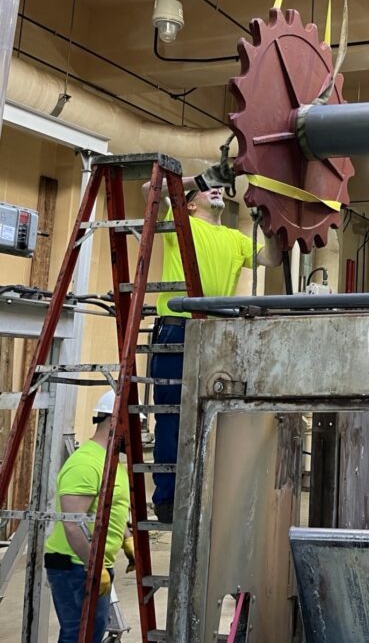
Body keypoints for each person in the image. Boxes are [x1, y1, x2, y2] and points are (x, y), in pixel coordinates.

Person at [142, 165, 282, 523]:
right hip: (178, 328)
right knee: (173, 415)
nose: (216, 190)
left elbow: (272, 258)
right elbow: (150, 189)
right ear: (189, 204)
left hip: (215, 333)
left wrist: (274, 216)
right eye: (207, 191)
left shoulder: (236, 238)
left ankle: (207, 491)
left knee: (215, 414)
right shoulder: (180, 223)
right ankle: (168, 499)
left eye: (218, 188)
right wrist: (199, 179)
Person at [44, 390, 134, 643]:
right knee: (79, 636)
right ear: (115, 421)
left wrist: (128, 540)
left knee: (90, 634)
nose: (137, 433)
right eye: (132, 423)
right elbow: (73, 525)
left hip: (88, 563)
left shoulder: (111, 461)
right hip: (74, 564)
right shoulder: (85, 464)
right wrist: (94, 567)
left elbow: (110, 509)